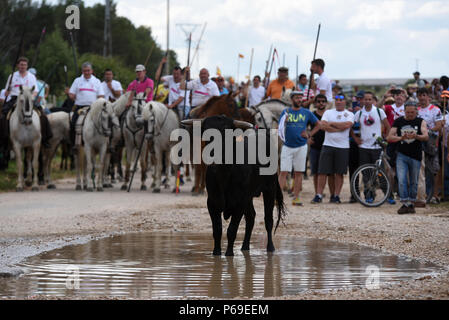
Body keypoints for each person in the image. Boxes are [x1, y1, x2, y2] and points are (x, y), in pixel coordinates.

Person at [0, 57, 53, 149]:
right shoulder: (12, 76)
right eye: (21, 65)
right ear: (18, 66)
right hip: (15, 98)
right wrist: (7, 92)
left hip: (28, 99)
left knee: (43, 115)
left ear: (27, 66)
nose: (23, 66)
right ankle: (4, 139)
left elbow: (35, 91)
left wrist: (30, 96)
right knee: (3, 115)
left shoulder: (31, 77)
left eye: (24, 65)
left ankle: (45, 138)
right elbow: (6, 92)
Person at [311, 93, 354, 204]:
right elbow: (323, 126)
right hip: (328, 145)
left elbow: (347, 125)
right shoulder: (328, 112)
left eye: (341, 99)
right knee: (322, 172)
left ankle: (336, 195)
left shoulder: (349, 114)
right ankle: (319, 195)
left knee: (339, 173)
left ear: (345, 101)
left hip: (343, 147)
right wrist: (338, 127)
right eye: (337, 99)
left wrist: (331, 124)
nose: (339, 102)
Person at [278, 91, 319, 206]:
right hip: (287, 146)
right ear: (292, 99)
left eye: (301, 98)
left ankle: (296, 198)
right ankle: (278, 197)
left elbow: (319, 124)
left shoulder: (306, 112)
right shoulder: (286, 112)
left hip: (301, 146)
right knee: (283, 172)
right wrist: (284, 122)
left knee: (298, 173)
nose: (299, 100)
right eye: (297, 98)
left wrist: (310, 134)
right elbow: (280, 127)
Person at [387, 101, 428, 214]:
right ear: (404, 111)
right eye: (408, 112)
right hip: (402, 154)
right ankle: (405, 203)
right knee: (401, 179)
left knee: (414, 181)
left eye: (412, 112)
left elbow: (425, 136)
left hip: (416, 155)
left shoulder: (421, 121)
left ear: (416, 111)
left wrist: (416, 136)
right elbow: (390, 136)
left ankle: (411, 202)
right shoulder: (399, 121)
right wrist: (401, 138)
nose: (410, 114)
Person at [353, 91, 392, 203]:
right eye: (366, 99)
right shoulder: (359, 114)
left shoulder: (379, 112)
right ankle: (369, 195)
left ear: (373, 100)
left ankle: (388, 195)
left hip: (377, 147)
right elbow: (352, 128)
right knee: (366, 174)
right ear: (362, 100)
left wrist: (386, 140)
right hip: (364, 147)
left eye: (370, 99)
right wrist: (356, 138)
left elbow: (388, 126)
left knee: (381, 173)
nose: (368, 101)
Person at [417, 87, 443, 204]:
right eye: (420, 95)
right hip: (419, 142)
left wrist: (427, 131)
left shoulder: (435, 109)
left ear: (428, 97)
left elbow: (439, 125)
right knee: (421, 169)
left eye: (424, 95)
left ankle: (435, 194)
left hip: (432, 142)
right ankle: (423, 194)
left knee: (434, 169)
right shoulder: (415, 110)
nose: (422, 98)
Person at [69, 62, 105, 147]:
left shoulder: (97, 81)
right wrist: (72, 96)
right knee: (73, 124)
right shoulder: (77, 80)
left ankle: (105, 144)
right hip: (79, 108)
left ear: (92, 71)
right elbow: (71, 94)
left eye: (88, 70)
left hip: (93, 108)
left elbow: (101, 95)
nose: (87, 72)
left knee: (105, 123)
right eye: (85, 71)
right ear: (82, 71)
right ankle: (74, 144)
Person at [308, 94, 334, 199]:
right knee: (316, 172)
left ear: (326, 103)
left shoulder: (330, 115)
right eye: (318, 101)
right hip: (315, 147)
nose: (321, 103)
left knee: (331, 173)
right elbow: (306, 128)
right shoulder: (312, 115)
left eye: (323, 101)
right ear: (315, 103)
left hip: (329, 145)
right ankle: (318, 193)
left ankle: (333, 195)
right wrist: (308, 138)